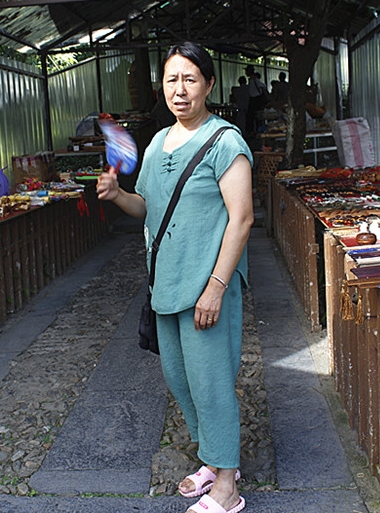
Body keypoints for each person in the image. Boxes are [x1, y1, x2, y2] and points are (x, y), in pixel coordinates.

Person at [96, 41, 253, 513]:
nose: (179, 90)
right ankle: (214, 458)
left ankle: (227, 486)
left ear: (208, 84)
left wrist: (216, 287)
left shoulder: (225, 142)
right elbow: (147, 207)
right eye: (171, 80)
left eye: (190, 79)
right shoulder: (158, 142)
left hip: (208, 283)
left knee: (211, 381)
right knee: (180, 378)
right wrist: (118, 194)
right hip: (166, 282)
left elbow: (242, 218)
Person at [244, 65, 268, 134]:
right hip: (253, 99)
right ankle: (253, 131)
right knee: (252, 117)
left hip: (256, 100)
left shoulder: (255, 80)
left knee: (255, 117)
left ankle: (256, 131)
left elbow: (263, 87)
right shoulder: (251, 80)